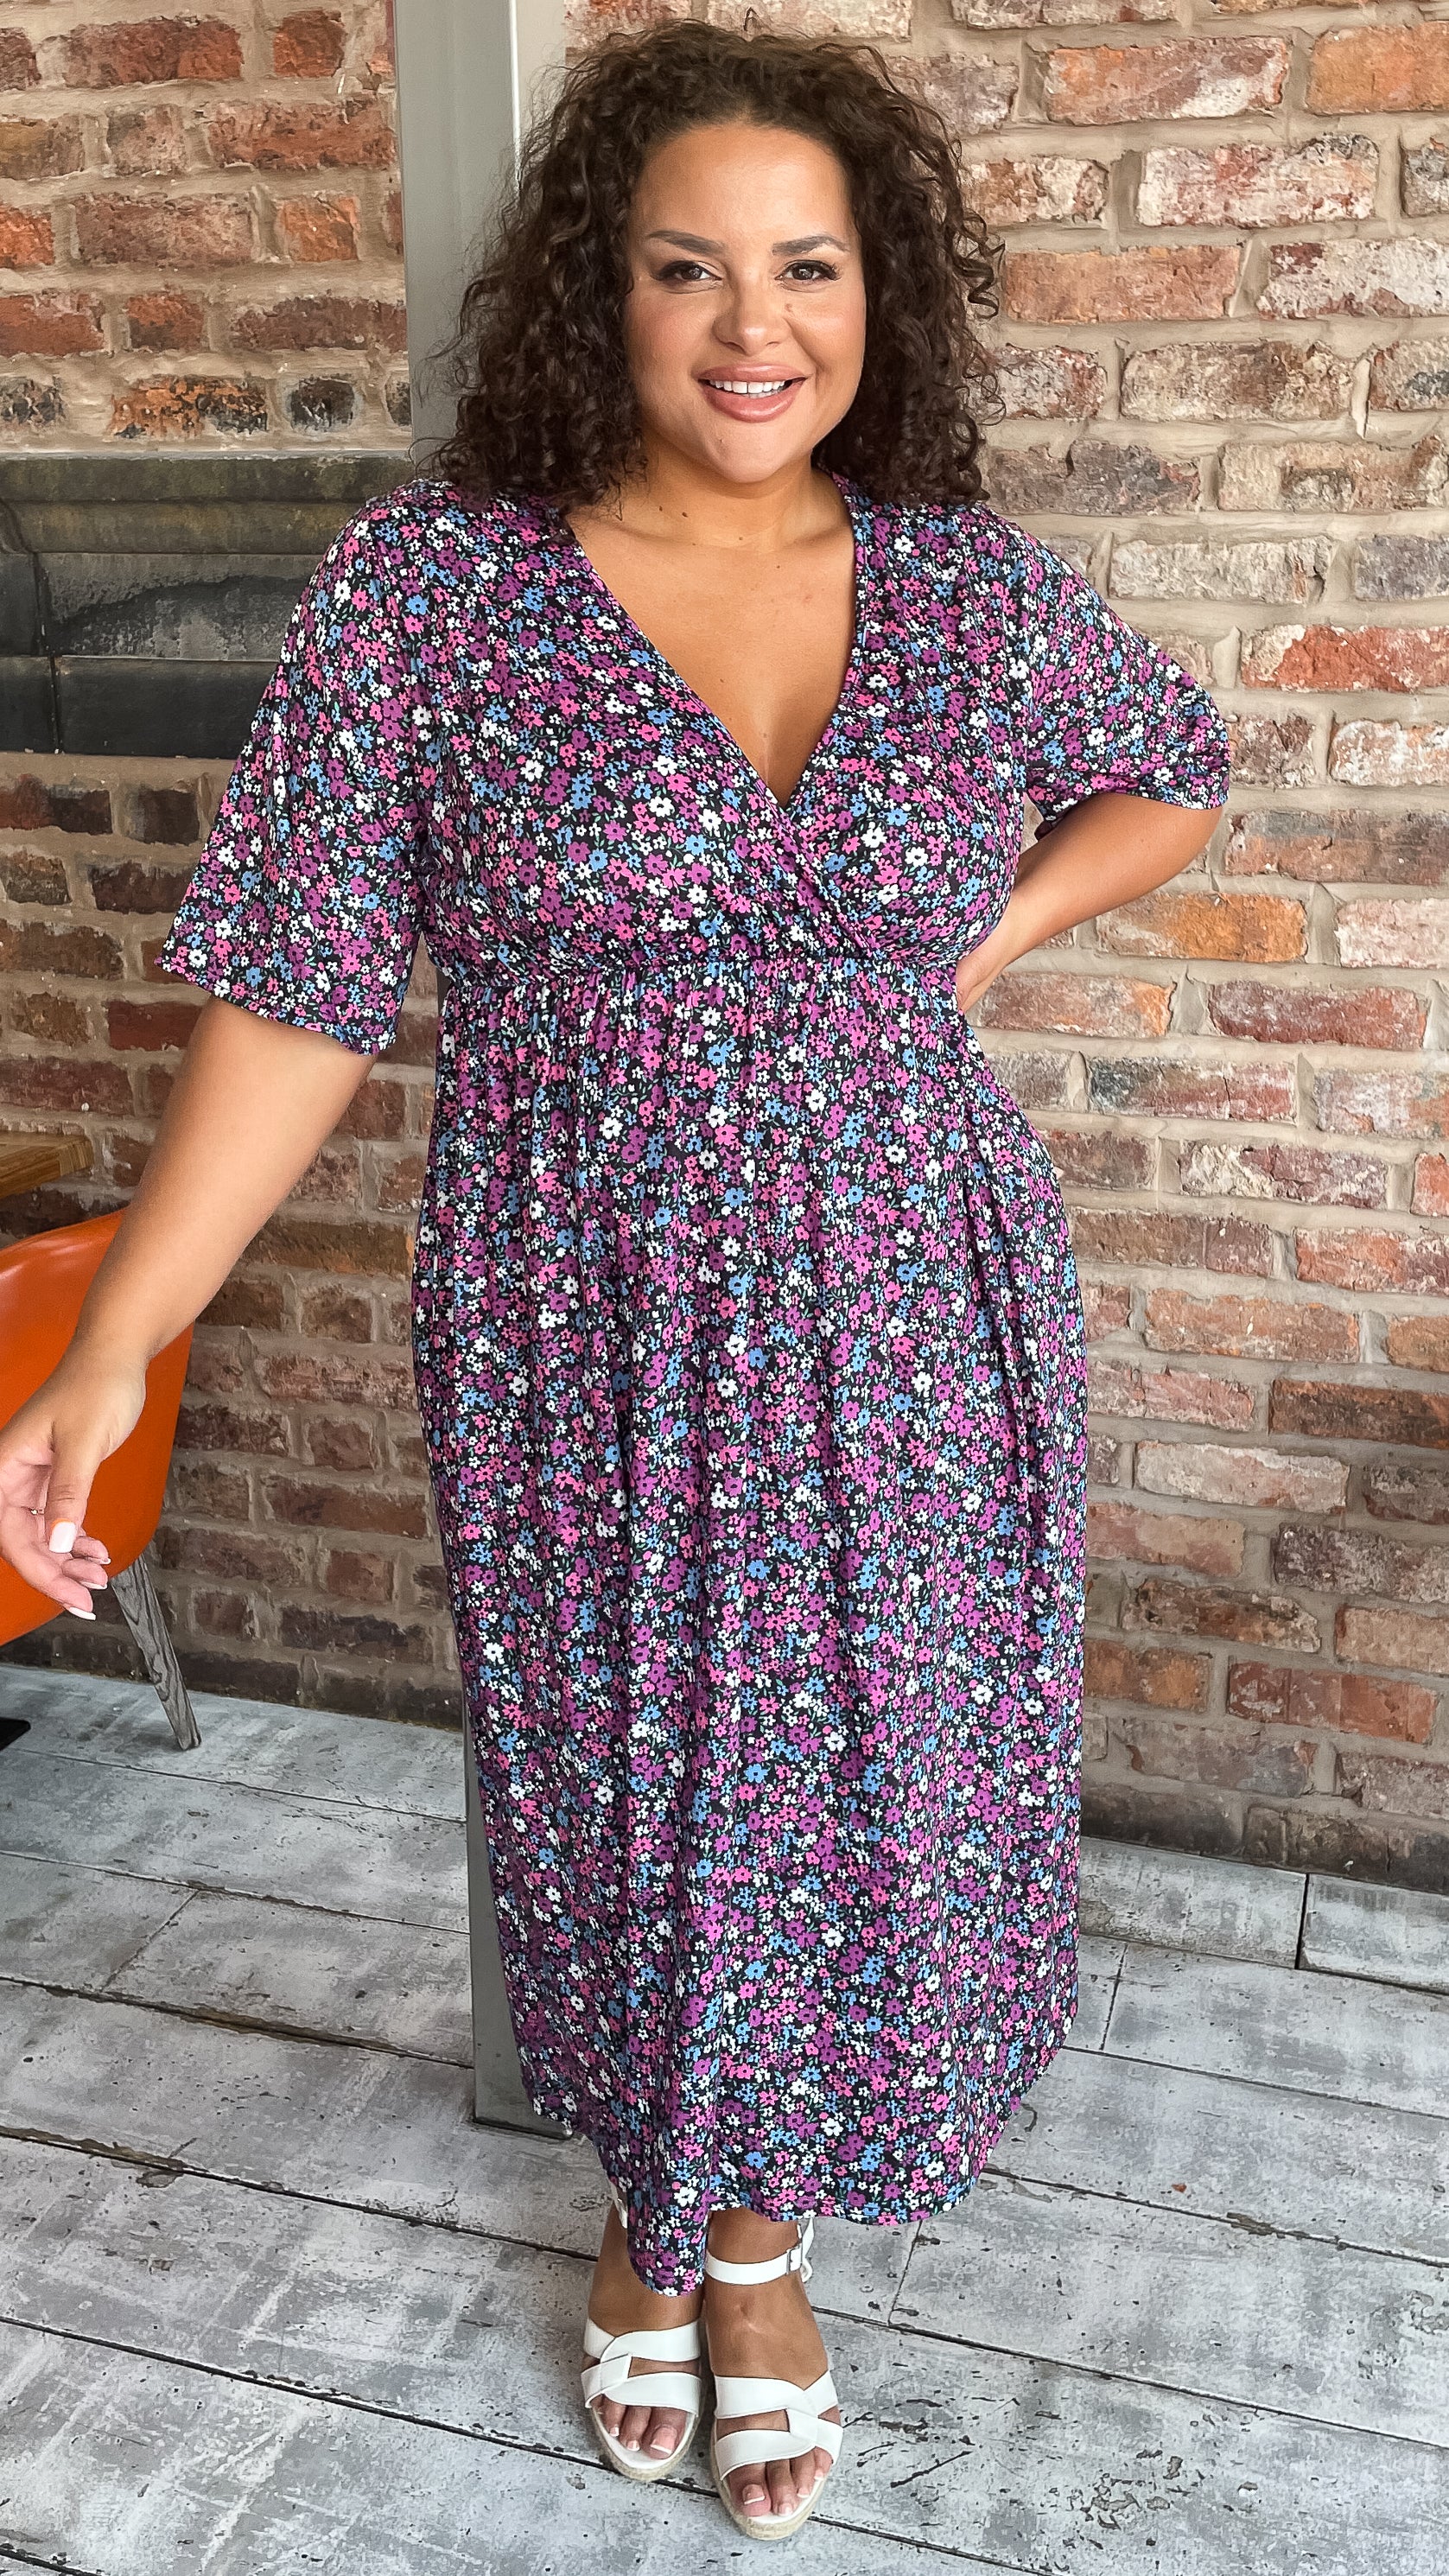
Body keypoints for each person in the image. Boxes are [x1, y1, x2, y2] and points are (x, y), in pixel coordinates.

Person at [0, 19, 1230, 2545]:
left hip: (921, 1296)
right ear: (603, 290)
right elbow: (299, 1000)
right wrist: (119, 1333)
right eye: (689, 268)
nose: (755, 326)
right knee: (637, 1801)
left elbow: (1176, 766)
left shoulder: (963, 586)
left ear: (879, 295)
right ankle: (669, 2209)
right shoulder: (435, 593)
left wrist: (968, 943)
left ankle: (740, 2245)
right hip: (591, 1313)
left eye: (810, 267)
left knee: (875, 1800)